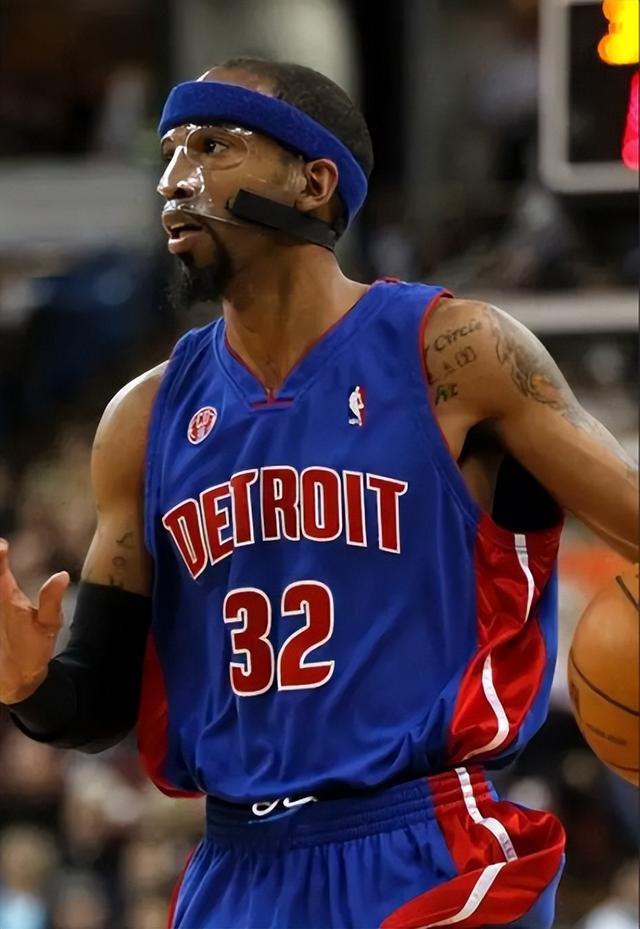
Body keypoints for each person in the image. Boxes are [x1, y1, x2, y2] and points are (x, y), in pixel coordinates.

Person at [0, 58, 637, 929]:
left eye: (213, 146)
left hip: (425, 845)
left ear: (314, 181)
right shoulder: (142, 419)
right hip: (237, 865)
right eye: (171, 151)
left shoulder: (455, 354)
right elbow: (98, 698)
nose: (174, 178)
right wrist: (29, 686)